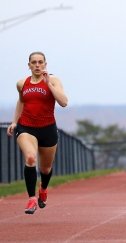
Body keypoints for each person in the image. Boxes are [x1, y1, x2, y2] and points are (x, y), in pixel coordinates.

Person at [6, 52, 68, 214]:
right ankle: (31, 198)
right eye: (34, 62)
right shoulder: (22, 83)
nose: (37, 65)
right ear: (29, 65)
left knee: (46, 169)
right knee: (31, 158)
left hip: (48, 128)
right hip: (26, 127)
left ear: (45, 64)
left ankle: (44, 189)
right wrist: (14, 121)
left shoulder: (53, 80)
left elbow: (63, 102)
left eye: (40, 62)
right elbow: (21, 101)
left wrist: (49, 84)